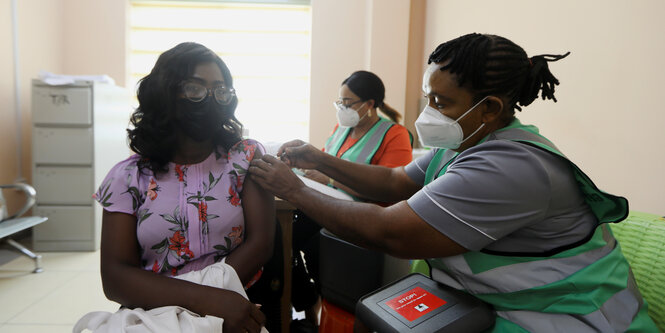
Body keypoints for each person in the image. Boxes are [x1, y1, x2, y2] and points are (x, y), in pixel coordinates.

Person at [249, 33, 658, 332]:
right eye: (429, 97)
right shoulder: (466, 142)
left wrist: (296, 190)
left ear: (490, 108)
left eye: (441, 103)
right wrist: (320, 159)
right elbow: (395, 181)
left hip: (567, 318)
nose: (428, 112)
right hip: (487, 303)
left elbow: (390, 233)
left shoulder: (510, 167)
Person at [90, 42, 274, 333]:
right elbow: (115, 277)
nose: (211, 98)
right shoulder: (127, 177)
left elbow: (261, 244)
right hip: (155, 309)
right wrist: (206, 300)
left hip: (237, 300)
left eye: (220, 90)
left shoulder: (245, 157)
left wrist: (220, 300)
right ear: (166, 94)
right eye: (195, 89)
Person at [290, 70, 412, 328]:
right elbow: (322, 164)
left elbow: (391, 190)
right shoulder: (341, 130)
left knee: (312, 246)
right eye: (340, 102)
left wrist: (331, 180)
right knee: (281, 237)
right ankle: (308, 306)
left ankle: (321, 306)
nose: (343, 108)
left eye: (348, 103)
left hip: (360, 219)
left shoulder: (394, 135)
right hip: (326, 208)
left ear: (370, 104)